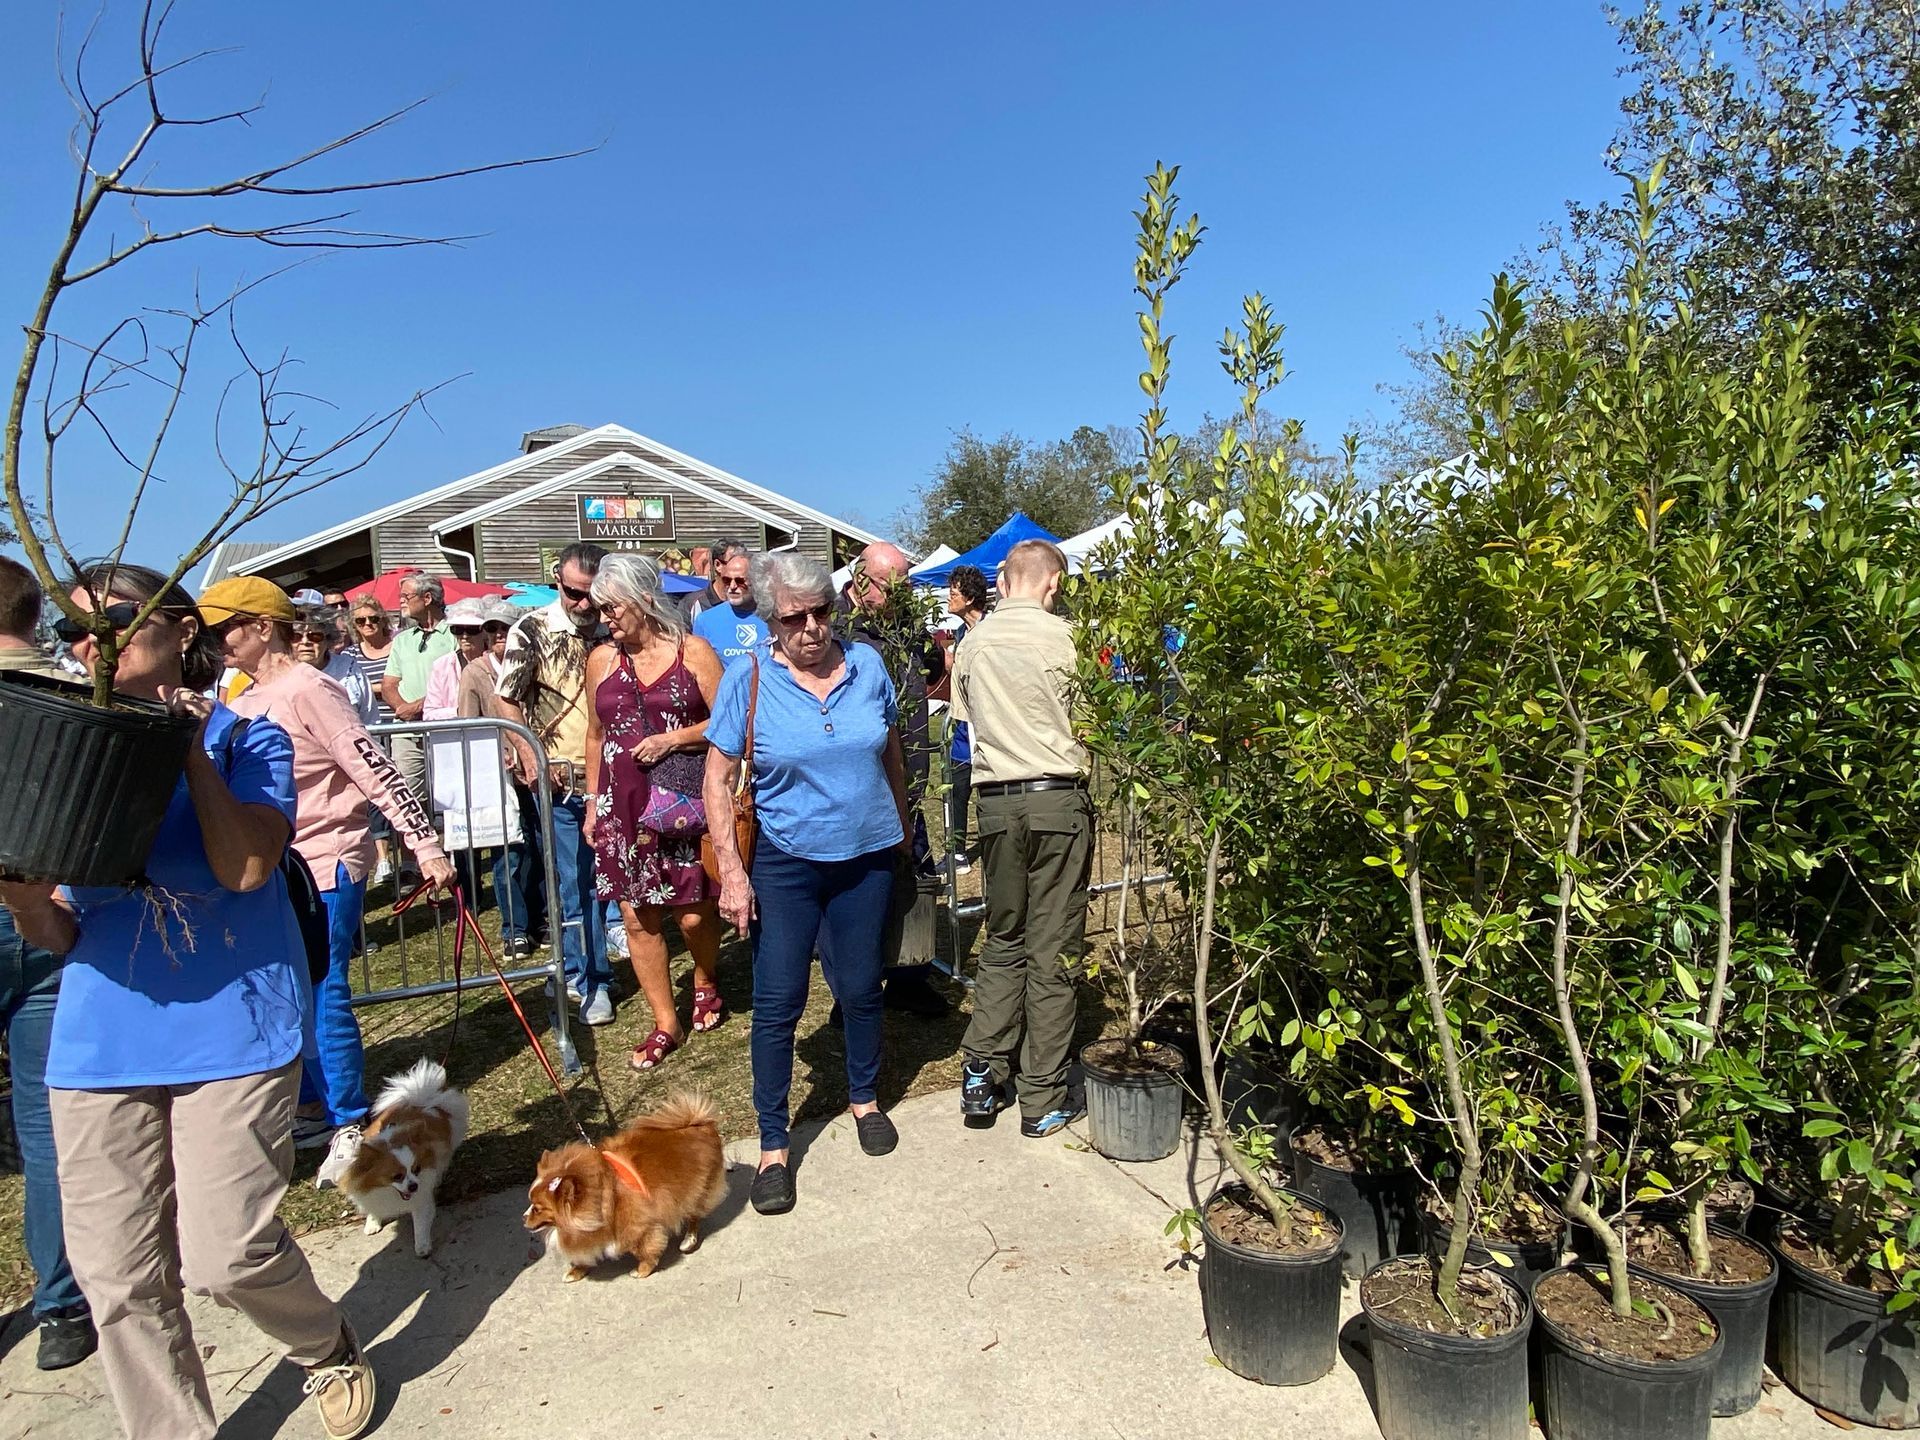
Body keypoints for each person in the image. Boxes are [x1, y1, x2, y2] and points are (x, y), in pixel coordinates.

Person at [0, 561, 375, 1440]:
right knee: (117, 1280)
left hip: (237, 1020)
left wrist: (191, 754)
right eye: (78, 629)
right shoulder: (66, 750)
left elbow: (245, 866)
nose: (96, 642)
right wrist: (19, 893)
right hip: (102, 1033)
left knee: (225, 1251)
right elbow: (57, 931)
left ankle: (321, 1342)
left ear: (181, 631)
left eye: (122, 620)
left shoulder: (251, 739)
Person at [201, 577, 457, 1169]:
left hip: (327, 859)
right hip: (277, 866)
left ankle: (348, 1116)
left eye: (226, 628)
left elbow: (370, 765)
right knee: (285, 988)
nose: (218, 642)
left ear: (264, 627)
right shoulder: (238, 694)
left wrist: (423, 844)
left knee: (323, 986)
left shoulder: (309, 688)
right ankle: (314, 1106)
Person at [705, 552, 912, 1217]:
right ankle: (772, 1145)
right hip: (786, 864)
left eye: (822, 612)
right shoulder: (750, 677)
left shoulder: (869, 665)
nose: (814, 628)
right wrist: (732, 873)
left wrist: (903, 830)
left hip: (867, 855)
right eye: (797, 618)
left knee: (858, 986)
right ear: (773, 620)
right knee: (778, 1000)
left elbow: (891, 752)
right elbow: (716, 779)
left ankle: (863, 1097)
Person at [952, 539, 1094, 1137]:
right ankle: (1041, 1097)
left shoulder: (971, 645)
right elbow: (1092, 722)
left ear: (1004, 581)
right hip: (1057, 797)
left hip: (996, 803)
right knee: (1053, 947)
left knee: (1004, 935)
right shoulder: (1068, 641)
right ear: (1054, 584)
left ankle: (983, 1073)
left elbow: (966, 723)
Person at [0, 556, 96, 1371]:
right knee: (44, 1123)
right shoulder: (72, 694)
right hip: (50, 909)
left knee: (44, 1118)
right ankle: (63, 1305)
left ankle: (63, 1299)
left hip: (39, 919)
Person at [583, 554, 725, 1071]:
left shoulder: (695, 652)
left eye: (613, 608)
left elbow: (730, 724)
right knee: (637, 918)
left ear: (644, 599)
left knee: (692, 912)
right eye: (601, 610)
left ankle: (706, 977)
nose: (606, 620)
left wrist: (673, 739)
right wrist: (594, 805)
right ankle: (666, 1021)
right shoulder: (601, 660)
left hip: (682, 802)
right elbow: (595, 736)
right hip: (622, 808)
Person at [497, 543, 615, 1025]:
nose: (584, 604)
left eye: (594, 595)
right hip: (561, 780)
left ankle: (573, 964)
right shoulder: (532, 629)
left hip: (615, 772)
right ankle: (589, 979)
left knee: (605, 881)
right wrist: (529, 755)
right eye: (574, 593)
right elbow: (508, 698)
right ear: (556, 581)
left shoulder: (615, 628)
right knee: (577, 881)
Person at [836, 540, 950, 1017]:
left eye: (904, 583)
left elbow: (933, 667)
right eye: (890, 584)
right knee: (858, 895)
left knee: (912, 885)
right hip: (857, 789)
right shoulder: (836, 631)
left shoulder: (907, 625)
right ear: (860, 580)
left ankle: (909, 978)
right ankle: (853, 994)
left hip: (910, 784)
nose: (898, 592)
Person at [456, 601, 544, 958]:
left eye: (504, 629)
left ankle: (541, 919)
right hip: (498, 777)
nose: (497, 636)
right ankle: (515, 929)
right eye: (491, 630)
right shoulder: (475, 673)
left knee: (539, 849)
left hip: (537, 772)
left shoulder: (532, 662)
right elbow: (467, 725)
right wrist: (498, 753)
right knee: (507, 854)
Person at [380, 572, 456, 814]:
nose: (400, 601)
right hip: (407, 733)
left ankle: (454, 852)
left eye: (406, 596)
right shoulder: (402, 640)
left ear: (427, 598)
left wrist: (420, 707)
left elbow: (459, 681)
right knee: (408, 802)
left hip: (445, 730)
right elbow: (389, 684)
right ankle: (414, 852)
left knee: (452, 799)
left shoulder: (456, 634)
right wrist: (404, 710)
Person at [342, 596, 400, 883]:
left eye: (373, 619)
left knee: (404, 791)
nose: (368, 625)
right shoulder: (350, 656)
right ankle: (383, 858)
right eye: (361, 621)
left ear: (383, 619)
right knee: (374, 795)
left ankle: (412, 858)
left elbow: (401, 681)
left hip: (399, 725)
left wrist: (379, 688)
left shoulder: (397, 647)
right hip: (368, 733)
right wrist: (382, 686)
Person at [940, 565, 991, 873]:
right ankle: (956, 853)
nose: (949, 597)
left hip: (986, 727)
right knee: (957, 789)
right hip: (961, 728)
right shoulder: (960, 632)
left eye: (955, 593)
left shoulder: (992, 630)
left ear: (971, 598)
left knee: (989, 792)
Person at [292, 605, 379, 727]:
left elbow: (370, 718)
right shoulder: (280, 673)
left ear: (328, 640)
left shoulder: (350, 668)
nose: (305, 642)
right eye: (297, 636)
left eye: (315, 636)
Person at [689, 541, 768, 670]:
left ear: (756, 581)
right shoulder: (705, 621)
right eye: (727, 580)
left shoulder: (773, 617)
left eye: (740, 581)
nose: (732, 587)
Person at [678, 536, 754, 624]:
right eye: (733, 562)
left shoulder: (753, 602)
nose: (740, 566)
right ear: (718, 565)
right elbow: (680, 636)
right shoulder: (693, 604)